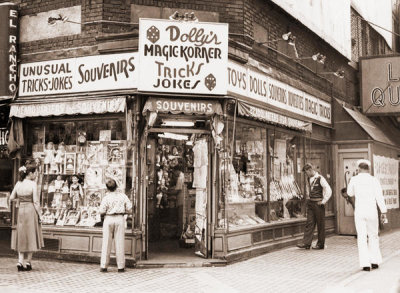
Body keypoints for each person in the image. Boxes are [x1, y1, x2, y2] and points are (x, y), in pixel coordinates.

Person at [346, 159, 387, 271]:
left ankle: (365, 264)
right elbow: (379, 197)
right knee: (373, 235)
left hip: (360, 211)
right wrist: (383, 211)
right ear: (368, 169)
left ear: (358, 169)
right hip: (372, 211)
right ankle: (374, 261)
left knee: (362, 237)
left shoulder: (354, 179)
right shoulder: (374, 180)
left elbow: (350, 193)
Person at [9, 165, 44, 271]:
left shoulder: (19, 183)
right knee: (31, 235)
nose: (36, 174)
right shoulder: (33, 184)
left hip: (21, 211)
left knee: (22, 235)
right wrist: (40, 214)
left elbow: (11, 197)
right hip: (30, 210)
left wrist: (20, 200)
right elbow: (36, 201)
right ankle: (28, 262)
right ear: (30, 173)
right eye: (35, 172)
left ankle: (20, 261)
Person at [99, 179, 132, 273]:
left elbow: (101, 211)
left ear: (107, 188)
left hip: (108, 218)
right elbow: (130, 209)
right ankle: (121, 267)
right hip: (120, 218)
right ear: (116, 186)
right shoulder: (123, 196)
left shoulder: (106, 197)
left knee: (106, 242)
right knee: (120, 242)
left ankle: (104, 266)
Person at [297, 163, 332, 250]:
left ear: (310, 170)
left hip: (318, 204)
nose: (306, 174)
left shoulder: (320, 178)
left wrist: (323, 201)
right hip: (311, 203)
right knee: (309, 223)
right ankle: (306, 243)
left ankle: (320, 244)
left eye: (306, 172)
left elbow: (328, 190)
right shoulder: (309, 178)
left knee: (320, 224)